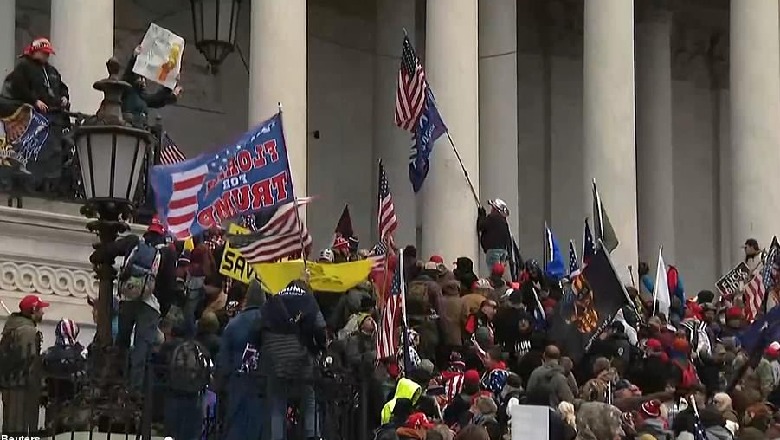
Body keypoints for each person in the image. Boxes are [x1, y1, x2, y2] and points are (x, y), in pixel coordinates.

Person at [100, 216, 177, 390]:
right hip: (151, 304)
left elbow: (109, 250)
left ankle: (117, 381)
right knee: (142, 347)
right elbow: (169, 285)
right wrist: (162, 310)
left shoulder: (134, 242)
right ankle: (134, 391)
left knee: (122, 341)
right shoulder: (168, 253)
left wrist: (99, 255)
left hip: (127, 298)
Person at [260, 280, 327, 440]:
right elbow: (319, 326)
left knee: (277, 402)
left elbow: (259, 325)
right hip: (301, 358)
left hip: (275, 361)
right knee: (309, 398)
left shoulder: (274, 300)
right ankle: (311, 435)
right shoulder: (308, 300)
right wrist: (320, 347)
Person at [217, 279, 266, 440]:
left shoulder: (233, 325)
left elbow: (223, 361)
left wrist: (221, 383)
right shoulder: (270, 323)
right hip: (262, 386)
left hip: (237, 384)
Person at [0, 294, 48, 435]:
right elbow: (28, 361)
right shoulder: (27, 331)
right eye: (40, 309)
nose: (43, 312)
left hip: (11, 383)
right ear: (33, 310)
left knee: (10, 427)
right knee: (19, 429)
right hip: (21, 386)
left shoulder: (16, 326)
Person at [122, 45, 181, 126]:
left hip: (140, 129)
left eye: (143, 78)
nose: (143, 81)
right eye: (140, 78)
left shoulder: (143, 97)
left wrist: (170, 85)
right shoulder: (128, 91)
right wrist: (134, 58)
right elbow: (128, 75)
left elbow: (158, 99)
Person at [477, 199, 512, 270]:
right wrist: (509, 254)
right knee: (500, 273)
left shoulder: (491, 218)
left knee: (494, 273)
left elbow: (481, 226)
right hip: (503, 251)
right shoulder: (504, 222)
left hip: (493, 251)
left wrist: (482, 215)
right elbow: (508, 239)